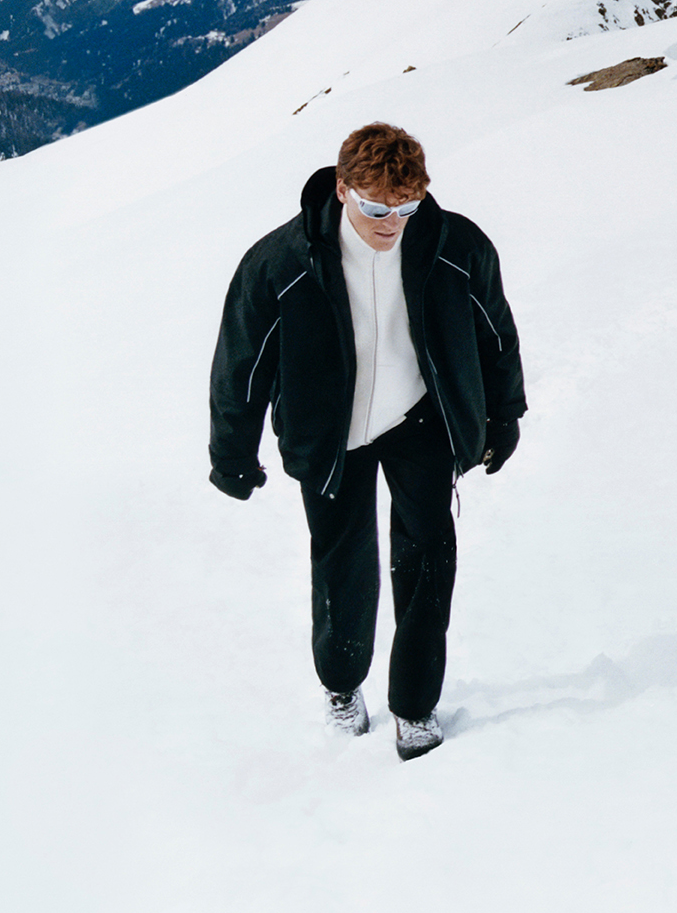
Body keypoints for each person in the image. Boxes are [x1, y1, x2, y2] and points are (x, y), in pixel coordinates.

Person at [208, 122, 526, 760]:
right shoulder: (281, 262)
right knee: (341, 564)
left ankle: (415, 705)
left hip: (420, 422)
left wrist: (503, 413)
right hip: (332, 436)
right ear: (342, 188)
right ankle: (341, 683)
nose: (392, 222)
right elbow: (241, 361)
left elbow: (496, 331)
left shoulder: (454, 245)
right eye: (377, 207)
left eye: (406, 207)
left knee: (428, 559)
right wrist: (232, 452)